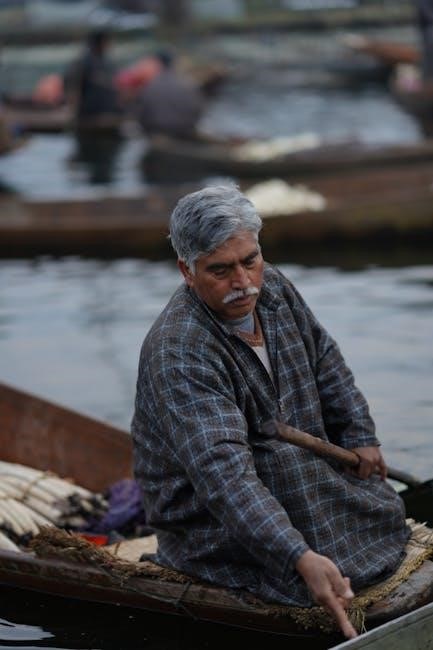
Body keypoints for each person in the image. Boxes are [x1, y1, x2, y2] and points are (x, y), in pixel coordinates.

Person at [131, 185, 410, 639]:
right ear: (187, 271)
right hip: (208, 517)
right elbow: (224, 477)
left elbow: (325, 359)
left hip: (299, 470)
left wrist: (360, 434)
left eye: (250, 260)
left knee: (373, 504)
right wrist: (298, 556)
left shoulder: (271, 286)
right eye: (220, 270)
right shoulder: (179, 351)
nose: (243, 283)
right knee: (287, 483)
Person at [134, 49, 205, 138]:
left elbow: (142, 113)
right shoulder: (188, 82)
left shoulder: (151, 85)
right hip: (185, 129)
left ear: (158, 64)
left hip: (158, 130)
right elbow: (198, 109)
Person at [64, 29, 121, 121]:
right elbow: (71, 85)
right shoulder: (86, 62)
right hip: (91, 109)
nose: (109, 46)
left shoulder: (102, 61)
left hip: (101, 107)